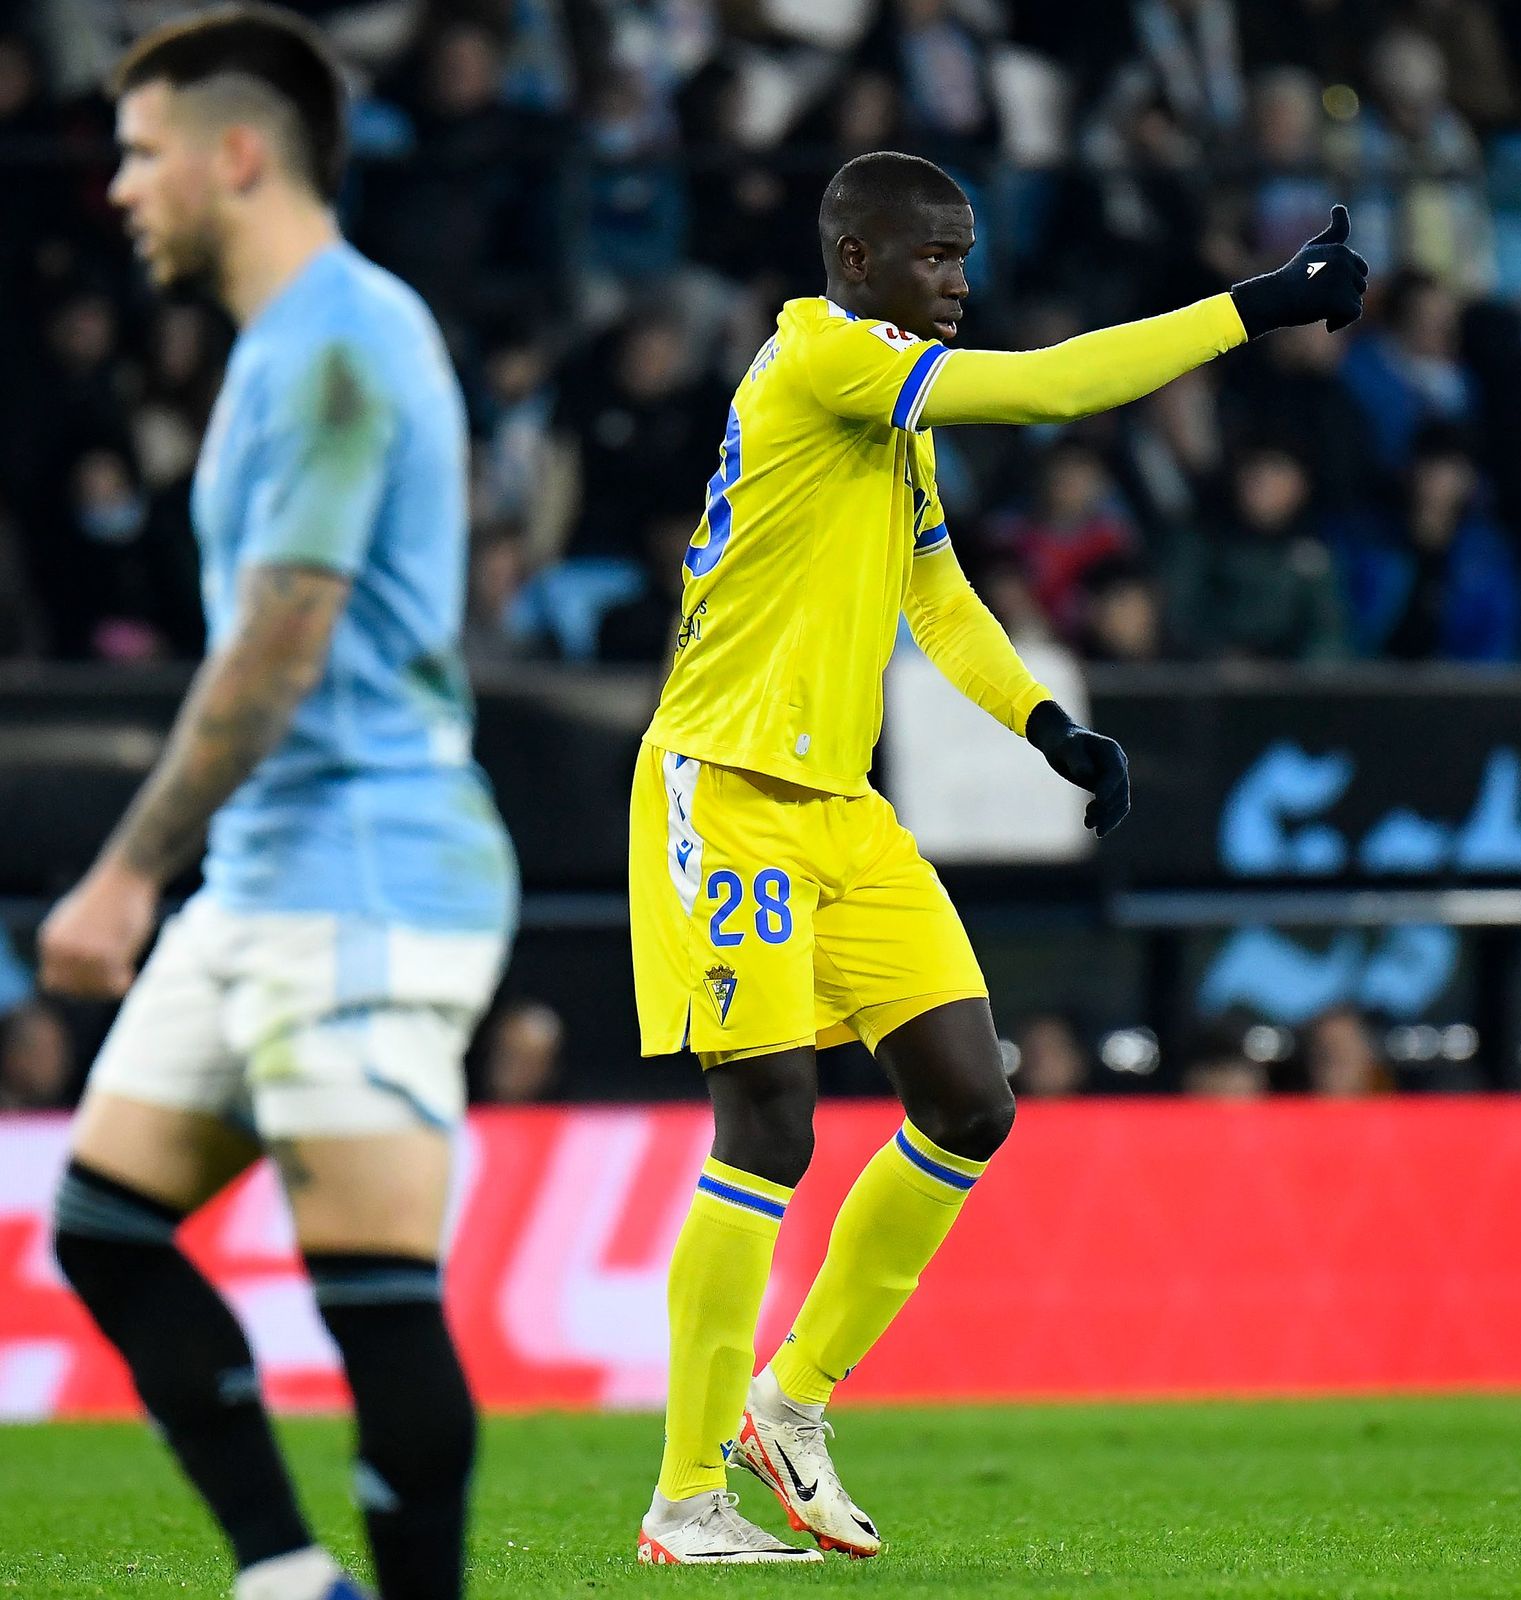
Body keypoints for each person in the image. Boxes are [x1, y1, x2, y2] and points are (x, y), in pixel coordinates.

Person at [628, 150, 1366, 1564]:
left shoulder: (885, 422)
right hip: (724, 786)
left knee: (970, 1102)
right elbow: (1057, 386)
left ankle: (790, 1404)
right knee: (771, 1123)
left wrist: (1046, 723)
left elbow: (939, 594)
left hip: (838, 804)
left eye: (966, 255)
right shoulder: (823, 358)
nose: (959, 280)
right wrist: (1256, 306)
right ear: (856, 259)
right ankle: (684, 1498)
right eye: (933, 256)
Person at [36, 10, 518, 1600]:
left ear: (238, 155)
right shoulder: (283, 345)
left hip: (370, 874)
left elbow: (282, 642)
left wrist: (121, 876)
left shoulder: (338, 343)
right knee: (104, 1226)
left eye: (143, 150)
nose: (120, 187)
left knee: (370, 1290)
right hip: (266, 878)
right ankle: (289, 1580)